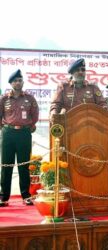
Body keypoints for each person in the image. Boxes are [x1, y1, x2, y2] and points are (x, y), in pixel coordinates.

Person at [0, 69, 39, 206]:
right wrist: (4, 128)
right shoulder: (4, 99)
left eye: (20, 80)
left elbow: (35, 115)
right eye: (15, 81)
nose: (18, 82)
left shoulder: (29, 98)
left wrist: (30, 125)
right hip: (8, 134)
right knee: (6, 165)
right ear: (11, 83)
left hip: (24, 134)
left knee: (24, 165)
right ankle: (4, 197)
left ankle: (26, 196)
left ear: (23, 82)